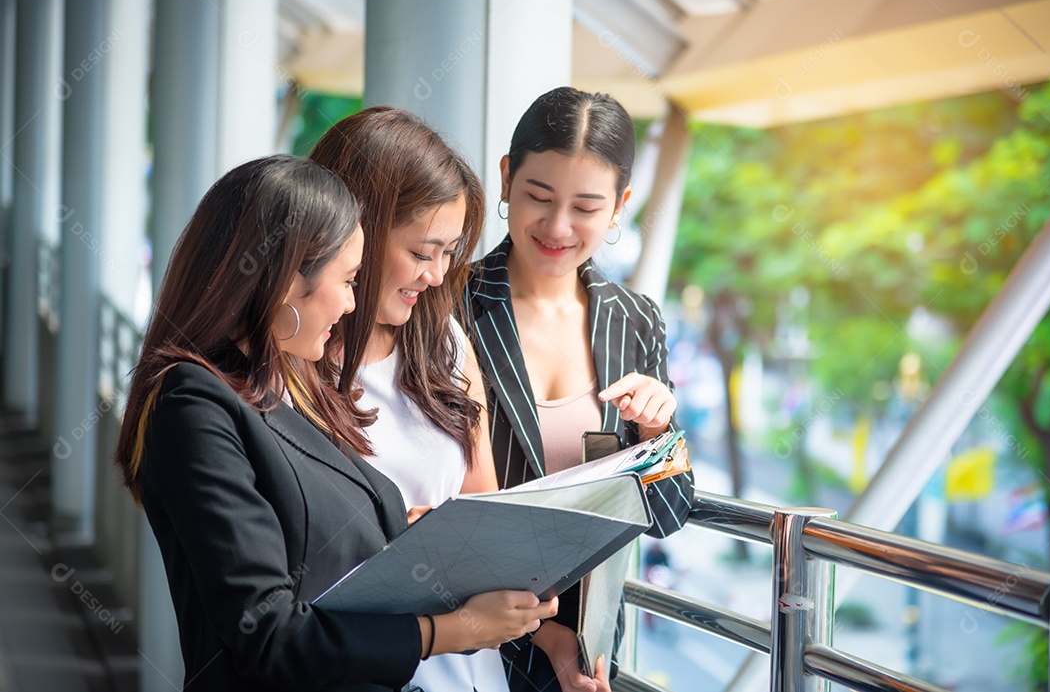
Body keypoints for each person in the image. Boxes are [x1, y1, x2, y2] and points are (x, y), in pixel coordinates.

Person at [114, 155, 556, 692]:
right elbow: (267, 634)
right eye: (347, 280)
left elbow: (317, 541)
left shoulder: (274, 386)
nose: (351, 304)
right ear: (282, 281)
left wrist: (427, 541)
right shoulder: (193, 404)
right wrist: (449, 631)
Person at [465, 87, 695, 692]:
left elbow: (669, 515)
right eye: (538, 197)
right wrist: (543, 636)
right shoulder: (448, 306)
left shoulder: (636, 320)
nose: (558, 227)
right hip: (467, 648)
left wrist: (655, 432)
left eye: (587, 207)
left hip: (587, 660)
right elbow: (424, 503)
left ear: (620, 205)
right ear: (507, 178)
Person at [309, 108, 510, 692]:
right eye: (423, 253)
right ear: (353, 231)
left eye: (450, 253)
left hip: (467, 670)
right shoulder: (290, 365)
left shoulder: (444, 340)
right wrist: (404, 533)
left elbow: (485, 506)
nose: (437, 274)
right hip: (357, 665)